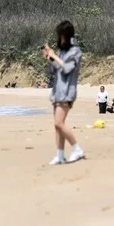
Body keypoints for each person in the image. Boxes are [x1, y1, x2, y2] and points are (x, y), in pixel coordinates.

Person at [42, 20, 85, 165]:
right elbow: (54, 70)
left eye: (61, 36)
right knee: (57, 125)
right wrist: (49, 58)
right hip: (57, 91)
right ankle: (60, 155)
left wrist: (55, 56)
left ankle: (77, 149)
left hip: (67, 92)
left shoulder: (75, 51)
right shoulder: (62, 51)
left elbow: (67, 69)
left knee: (59, 123)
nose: (59, 39)